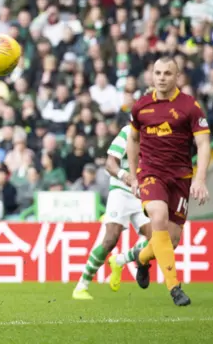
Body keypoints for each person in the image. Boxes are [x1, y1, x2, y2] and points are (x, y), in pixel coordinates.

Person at [126, 57, 211, 306]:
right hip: (151, 173)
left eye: (167, 73)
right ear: (152, 75)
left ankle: (141, 259)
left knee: (171, 240)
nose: (161, 77)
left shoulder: (190, 106)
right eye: (157, 72)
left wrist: (200, 178)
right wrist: (133, 176)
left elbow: (203, 143)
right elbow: (133, 140)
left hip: (181, 177)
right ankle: (175, 287)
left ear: (177, 77)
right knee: (158, 216)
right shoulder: (141, 106)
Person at [72, 125, 153, 300]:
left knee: (156, 238)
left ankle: (120, 260)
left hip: (142, 192)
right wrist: (126, 177)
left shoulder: (159, 133)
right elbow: (110, 163)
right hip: (121, 190)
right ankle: (82, 285)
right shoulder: (128, 131)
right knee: (110, 239)